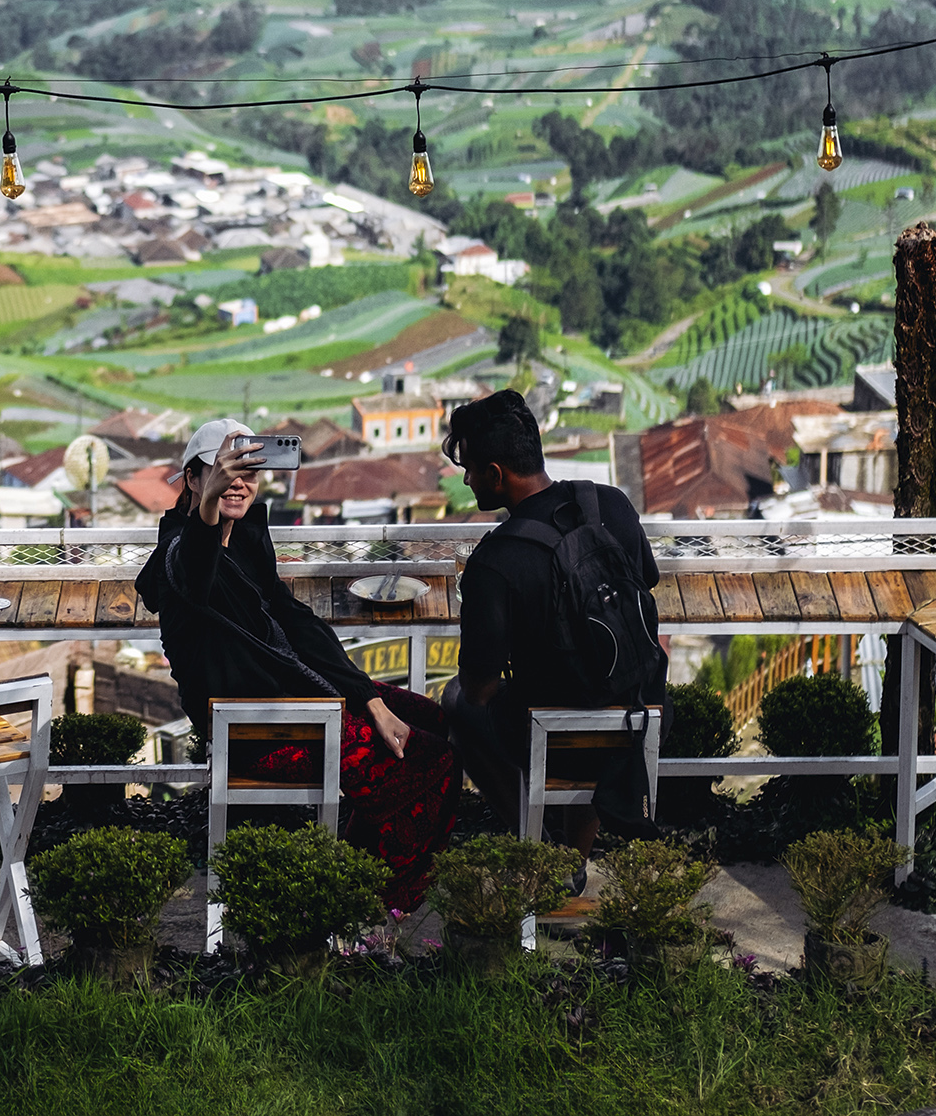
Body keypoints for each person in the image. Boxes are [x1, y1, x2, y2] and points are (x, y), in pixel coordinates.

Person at [136, 418, 463, 908]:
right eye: (223, 471)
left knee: (435, 720)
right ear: (193, 480)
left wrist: (368, 698)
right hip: (254, 727)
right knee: (430, 758)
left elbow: (297, 623)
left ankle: (358, 879)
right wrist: (208, 508)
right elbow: (194, 571)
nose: (237, 482)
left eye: (249, 471)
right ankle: (369, 906)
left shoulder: (246, 540)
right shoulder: (178, 551)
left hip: (292, 701)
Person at [439, 389, 666, 852]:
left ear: (496, 475)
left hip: (557, 739)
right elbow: (648, 578)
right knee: (582, 697)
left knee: (457, 701)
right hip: (641, 720)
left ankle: (540, 847)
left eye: (470, 469)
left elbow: (480, 688)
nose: (466, 481)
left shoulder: (495, 560)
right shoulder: (612, 506)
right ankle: (574, 854)